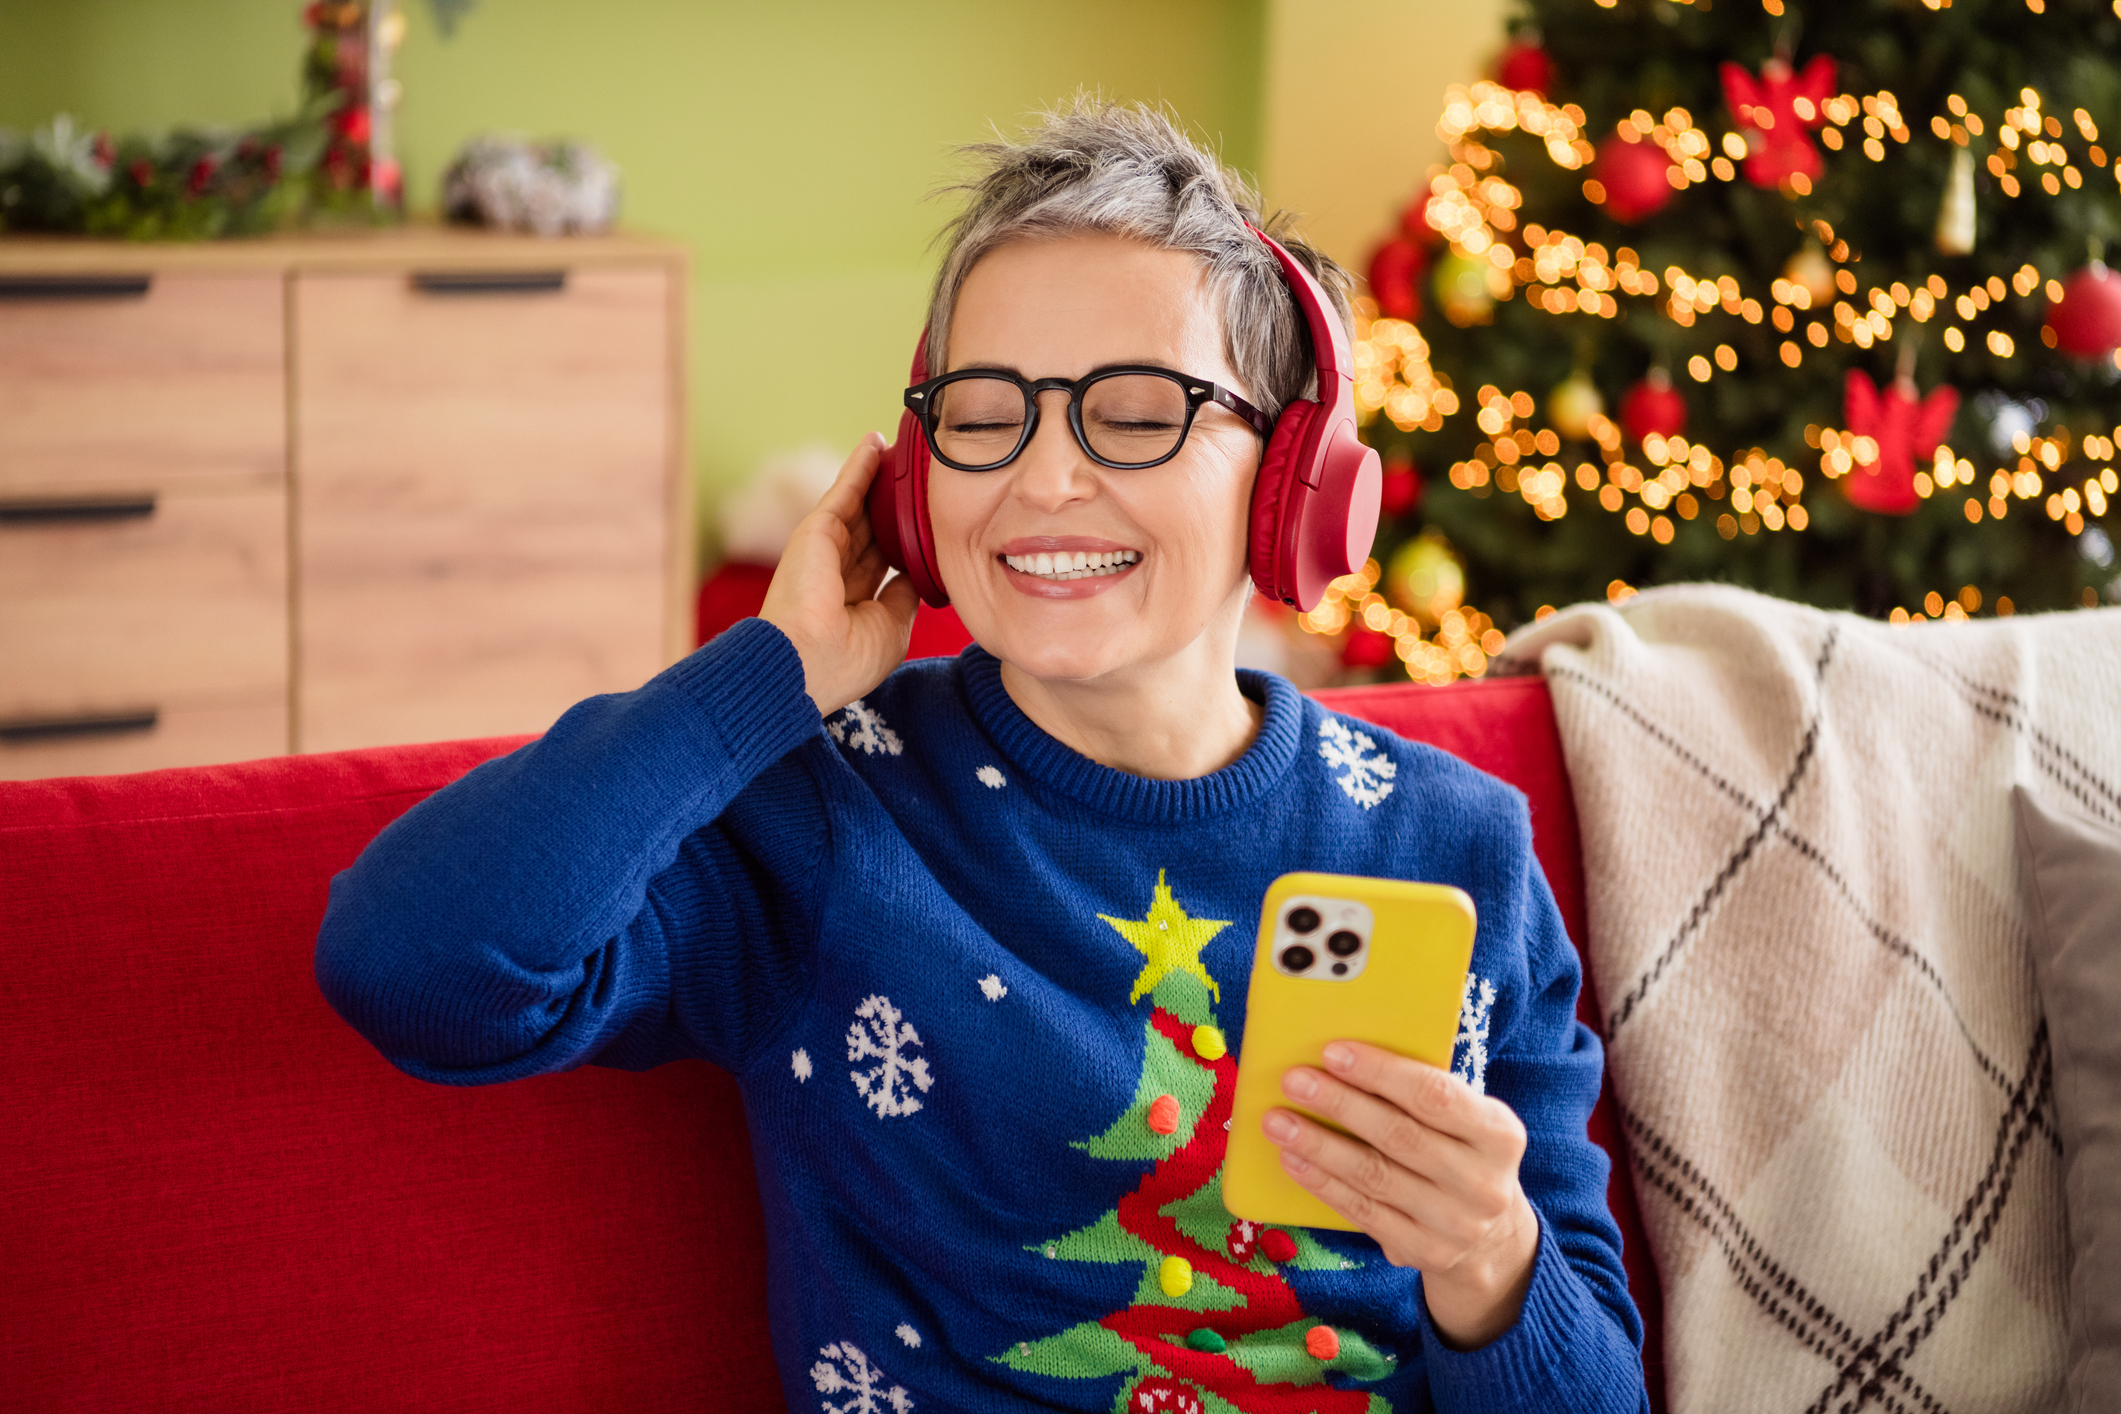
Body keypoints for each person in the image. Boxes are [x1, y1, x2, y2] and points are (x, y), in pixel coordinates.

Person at [315, 99, 1647, 1412]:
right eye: (983, 409)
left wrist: (1488, 1257)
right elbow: (417, 964)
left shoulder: (1457, 844)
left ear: (1296, 477)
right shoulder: (832, 811)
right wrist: (767, 675)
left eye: (1134, 411)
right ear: (913, 482)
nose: (1042, 476)